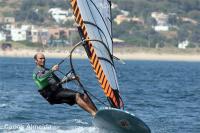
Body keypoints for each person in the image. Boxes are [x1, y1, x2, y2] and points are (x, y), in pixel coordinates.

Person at [32, 52, 97, 116]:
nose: (43, 60)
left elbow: (59, 81)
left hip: (58, 90)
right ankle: (94, 114)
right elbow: (41, 78)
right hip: (50, 93)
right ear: (35, 60)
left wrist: (71, 78)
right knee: (76, 95)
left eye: (44, 58)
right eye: (40, 58)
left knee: (84, 96)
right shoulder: (36, 71)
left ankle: (97, 113)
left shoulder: (47, 70)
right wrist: (52, 70)